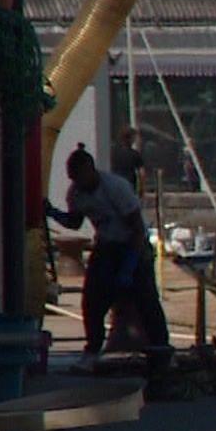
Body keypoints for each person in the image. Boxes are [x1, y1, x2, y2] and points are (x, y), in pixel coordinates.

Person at [45, 145, 170, 371]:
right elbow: (74, 222)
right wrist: (52, 212)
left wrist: (129, 266)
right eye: (73, 179)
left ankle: (161, 351)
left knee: (147, 301)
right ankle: (92, 349)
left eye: (80, 176)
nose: (78, 183)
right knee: (92, 300)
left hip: (133, 246)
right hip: (106, 247)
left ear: (91, 169)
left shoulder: (115, 187)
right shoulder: (76, 193)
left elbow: (137, 229)